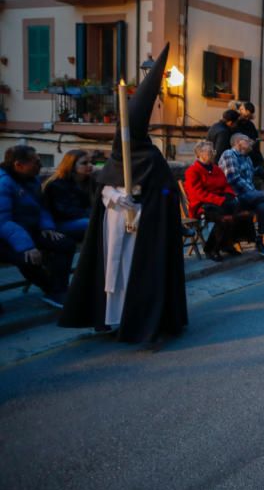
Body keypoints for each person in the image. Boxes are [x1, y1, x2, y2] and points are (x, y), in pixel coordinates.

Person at [59, 45, 188, 342]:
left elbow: (167, 193)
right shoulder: (118, 154)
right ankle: (109, 317)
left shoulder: (153, 158)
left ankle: (136, 320)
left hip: (142, 228)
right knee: (110, 273)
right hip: (114, 224)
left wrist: (144, 206)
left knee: (133, 274)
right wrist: (115, 198)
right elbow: (101, 186)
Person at [0, 145, 75, 308]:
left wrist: (47, 227)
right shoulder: (3, 183)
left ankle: (59, 290)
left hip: (28, 231)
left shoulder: (32, 180)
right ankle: (52, 290)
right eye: (35, 162)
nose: (40, 165)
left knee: (65, 243)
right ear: (18, 165)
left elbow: (40, 207)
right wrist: (26, 246)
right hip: (5, 237)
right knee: (28, 259)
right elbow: (2, 221)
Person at [184, 140, 254, 262]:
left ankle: (227, 244)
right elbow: (197, 193)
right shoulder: (193, 171)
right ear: (200, 154)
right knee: (225, 219)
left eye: (213, 151)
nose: (213, 154)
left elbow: (225, 185)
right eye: (209, 152)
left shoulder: (216, 169)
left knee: (243, 213)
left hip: (220, 202)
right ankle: (211, 249)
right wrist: (219, 200)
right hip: (202, 206)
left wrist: (230, 196)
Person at [219, 133, 264, 257]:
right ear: (238, 142)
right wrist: (253, 191)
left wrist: (258, 172)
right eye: (247, 140)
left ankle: (259, 241)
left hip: (248, 195)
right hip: (236, 196)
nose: (251, 142)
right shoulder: (229, 154)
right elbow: (233, 178)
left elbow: (247, 176)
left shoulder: (247, 157)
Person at [42, 149, 94, 242]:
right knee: (91, 223)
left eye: (90, 162)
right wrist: (93, 214)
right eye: (84, 163)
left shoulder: (88, 182)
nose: (90, 165)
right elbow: (65, 211)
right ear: (71, 166)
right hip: (59, 223)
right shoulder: (57, 184)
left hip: (79, 218)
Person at [235, 101, 264, 169]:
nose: (240, 111)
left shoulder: (250, 125)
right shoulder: (237, 124)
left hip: (251, 154)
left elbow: (255, 139)